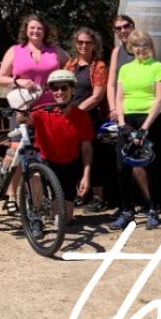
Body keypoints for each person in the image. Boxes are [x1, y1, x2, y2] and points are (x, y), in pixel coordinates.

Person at [0, 13, 69, 215]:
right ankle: (10, 195)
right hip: (23, 107)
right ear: (26, 30)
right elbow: (1, 77)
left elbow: (70, 67)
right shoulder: (15, 51)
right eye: (32, 28)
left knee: (41, 152)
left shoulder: (54, 52)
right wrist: (18, 81)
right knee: (17, 147)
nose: (36, 31)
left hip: (48, 108)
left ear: (45, 31)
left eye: (40, 28)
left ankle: (39, 201)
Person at [110, 30, 161, 231]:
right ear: (131, 48)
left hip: (149, 120)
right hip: (127, 120)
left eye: (144, 45)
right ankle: (126, 211)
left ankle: (153, 209)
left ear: (149, 46)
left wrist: (144, 129)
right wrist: (122, 124)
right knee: (122, 167)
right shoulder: (125, 69)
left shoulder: (158, 67)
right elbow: (119, 97)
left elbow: (160, 99)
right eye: (136, 45)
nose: (140, 49)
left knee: (149, 167)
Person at [21, 70, 93, 229]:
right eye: (55, 88)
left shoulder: (81, 116)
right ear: (50, 91)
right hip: (45, 161)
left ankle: (55, 208)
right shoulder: (42, 112)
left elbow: (87, 147)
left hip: (69, 165)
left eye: (64, 88)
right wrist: (24, 106)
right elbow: (23, 119)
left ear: (73, 90)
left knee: (62, 221)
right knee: (36, 176)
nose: (59, 92)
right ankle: (36, 215)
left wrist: (85, 176)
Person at [64, 27, 109, 213]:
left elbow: (97, 96)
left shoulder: (98, 66)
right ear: (76, 44)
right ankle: (80, 194)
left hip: (90, 116)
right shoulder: (70, 65)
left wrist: (77, 111)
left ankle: (99, 197)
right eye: (80, 42)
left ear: (94, 45)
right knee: (74, 157)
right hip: (71, 117)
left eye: (87, 42)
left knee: (94, 157)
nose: (83, 45)